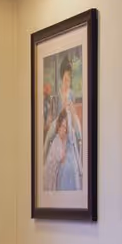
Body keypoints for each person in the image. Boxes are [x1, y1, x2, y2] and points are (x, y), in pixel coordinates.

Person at [43, 56, 83, 190]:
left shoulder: (71, 93)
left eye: (69, 79)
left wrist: (71, 109)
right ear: (62, 78)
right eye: (66, 79)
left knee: (74, 129)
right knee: (50, 133)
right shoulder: (56, 95)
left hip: (68, 121)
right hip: (59, 122)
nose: (67, 82)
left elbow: (73, 112)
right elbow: (54, 115)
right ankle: (44, 155)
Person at [44, 110, 82, 191]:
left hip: (70, 167)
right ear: (59, 126)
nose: (63, 129)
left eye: (65, 127)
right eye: (62, 126)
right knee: (63, 171)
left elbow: (73, 145)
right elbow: (59, 158)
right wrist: (62, 141)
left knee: (70, 169)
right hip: (60, 168)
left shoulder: (71, 136)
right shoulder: (56, 140)